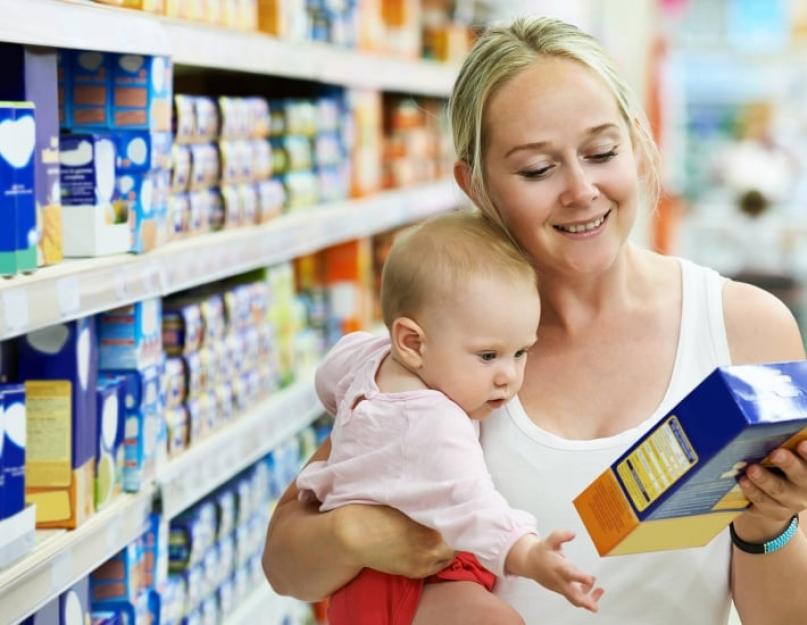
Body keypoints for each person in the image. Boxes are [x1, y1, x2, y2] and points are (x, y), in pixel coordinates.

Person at [263, 16, 807, 625]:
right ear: (476, 186)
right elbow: (285, 567)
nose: (581, 190)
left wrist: (768, 526)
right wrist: (357, 536)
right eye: (536, 170)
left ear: (636, 142)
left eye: (601, 152)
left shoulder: (744, 329)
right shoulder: (445, 349)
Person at [295, 212, 603, 625]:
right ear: (412, 343)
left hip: (357, 585)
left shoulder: (370, 358)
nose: (508, 376)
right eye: (488, 356)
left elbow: (328, 376)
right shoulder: (434, 421)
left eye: (521, 352)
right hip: (411, 582)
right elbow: (471, 503)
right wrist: (527, 554)